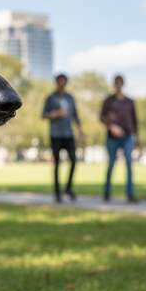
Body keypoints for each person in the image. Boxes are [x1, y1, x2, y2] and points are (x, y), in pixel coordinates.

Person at [42, 73, 83, 202]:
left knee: (74, 161)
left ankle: (68, 188)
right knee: (57, 164)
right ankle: (57, 193)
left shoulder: (70, 98)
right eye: (60, 81)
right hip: (55, 135)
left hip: (68, 134)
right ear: (56, 82)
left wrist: (80, 130)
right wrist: (56, 114)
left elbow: (75, 115)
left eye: (64, 81)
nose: (62, 84)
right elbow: (44, 115)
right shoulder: (50, 98)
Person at [100, 74, 138, 203]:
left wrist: (136, 137)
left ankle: (130, 194)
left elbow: (134, 120)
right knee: (111, 164)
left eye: (120, 82)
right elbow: (102, 117)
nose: (118, 84)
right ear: (114, 84)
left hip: (128, 136)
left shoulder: (129, 101)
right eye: (116, 82)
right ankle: (107, 192)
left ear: (123, 84)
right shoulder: (109, 100)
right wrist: (111, 127)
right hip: (112, 137)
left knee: (129, 164)